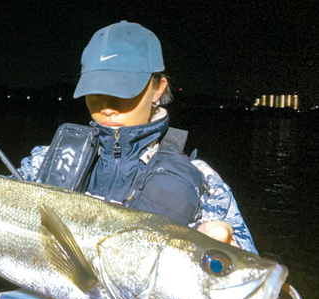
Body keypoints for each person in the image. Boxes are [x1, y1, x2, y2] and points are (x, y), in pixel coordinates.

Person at [18, 21, 257, 254]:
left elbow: (247, 264)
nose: (107, 107)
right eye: (96, 91)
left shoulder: (201, 181)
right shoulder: (46, 158)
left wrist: (227, 246)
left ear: (158, 89)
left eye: (122, 91)